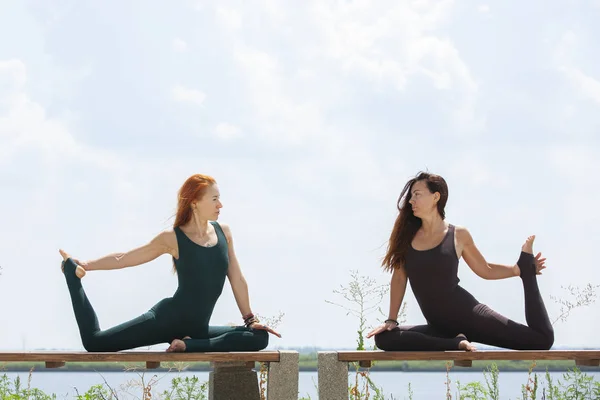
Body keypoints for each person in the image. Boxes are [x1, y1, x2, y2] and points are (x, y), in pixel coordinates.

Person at [59, 173, 280, 353]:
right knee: (95, 343)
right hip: (165, 321)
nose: (220, 204)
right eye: (214, 199)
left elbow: (237, 279)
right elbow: (124, 258)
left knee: (259, 337)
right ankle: (71, 275)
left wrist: (250, 320)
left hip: (198, 330)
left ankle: (188, 345)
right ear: (195, 202)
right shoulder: (173, 238)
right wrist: (86, 264)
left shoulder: (224, 233)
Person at [366, 172, 554, 351]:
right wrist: (391, 320)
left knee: (541, 340)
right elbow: (399, 278)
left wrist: (518, 270)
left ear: (435, 197)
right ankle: (454, 343)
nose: (411, 200)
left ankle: (527, 273)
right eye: (411, 196)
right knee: (384, 338)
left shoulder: (458, 235)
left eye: (417, 194)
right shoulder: (406, 237)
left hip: (470, 317)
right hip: (439, 328)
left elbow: (485, 270)